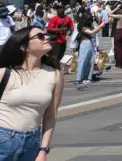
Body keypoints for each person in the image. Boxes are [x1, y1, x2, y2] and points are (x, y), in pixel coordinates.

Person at [0, 27, 65, 161]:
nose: (46, 38)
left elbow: (50, 116)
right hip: (3, 139)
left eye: (46, 35)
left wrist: (43, 150)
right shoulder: (5, 73)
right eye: (40, 36)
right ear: (23, 47)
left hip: (32, 144)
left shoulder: (55, 74)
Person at [73, 11, 98, 88]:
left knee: (91, 60)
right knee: (82, 61)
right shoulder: (81, 26)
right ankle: (79, 78)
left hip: (90, 43)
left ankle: (88, 77)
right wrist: (101, 26)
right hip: (85, 43)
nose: (90, 21)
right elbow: (91, 33)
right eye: (89, 19)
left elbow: (94, 34)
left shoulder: (89, 25)